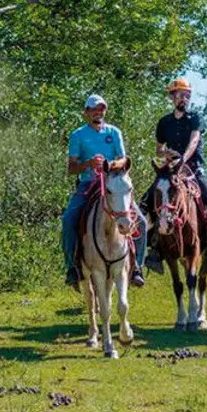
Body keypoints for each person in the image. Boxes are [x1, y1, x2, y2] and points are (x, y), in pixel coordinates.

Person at [62, 94, 148, 290]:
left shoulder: (114, 132)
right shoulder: (78, 135)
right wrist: (89, 164)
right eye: (93, 109)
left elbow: (124, 160)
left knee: (141, 222)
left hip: (113, 184)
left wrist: (110, 166)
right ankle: (72, 268)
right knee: (68, 220)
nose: (98, 112)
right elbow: (71, 168)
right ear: (86, 112)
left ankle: (137, 268)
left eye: (101, 109)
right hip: (88, 184)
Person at [143, 77, 207, 274]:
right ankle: (154, 249)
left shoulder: (195, 118)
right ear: (172, 97)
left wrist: (183, 158)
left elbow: (194, 140)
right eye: (180, 94)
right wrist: (167, 155)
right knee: (146, 202)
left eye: (187, 95)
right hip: (170, 170)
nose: (184, 98)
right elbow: (158, 150)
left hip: (194, 169)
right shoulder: (164, 122)